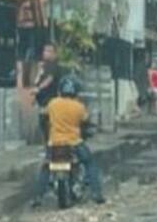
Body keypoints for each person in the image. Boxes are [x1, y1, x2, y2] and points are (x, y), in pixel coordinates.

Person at [35, 76, 104, 206]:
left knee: (46, 167)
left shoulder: (52, 103)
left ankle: (38, 197)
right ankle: (97, 193)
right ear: (76, 92)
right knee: (90, 163)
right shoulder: (79, 107)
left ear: (60, 90)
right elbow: (86, 122)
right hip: (74, 143)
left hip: (54, 144)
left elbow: (43, 117)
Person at [33, 43, 64, 141]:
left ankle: (50, 146)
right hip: (43, 98)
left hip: (50, 98)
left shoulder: (53, 65)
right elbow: (37, 80)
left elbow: (49, 79)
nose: (45, 53)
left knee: (46, 122)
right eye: (45, 51)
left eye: (49, 51)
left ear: (55, 54)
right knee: (43, 122)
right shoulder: (44, 66)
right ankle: (47, 146)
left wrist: (39, 88)